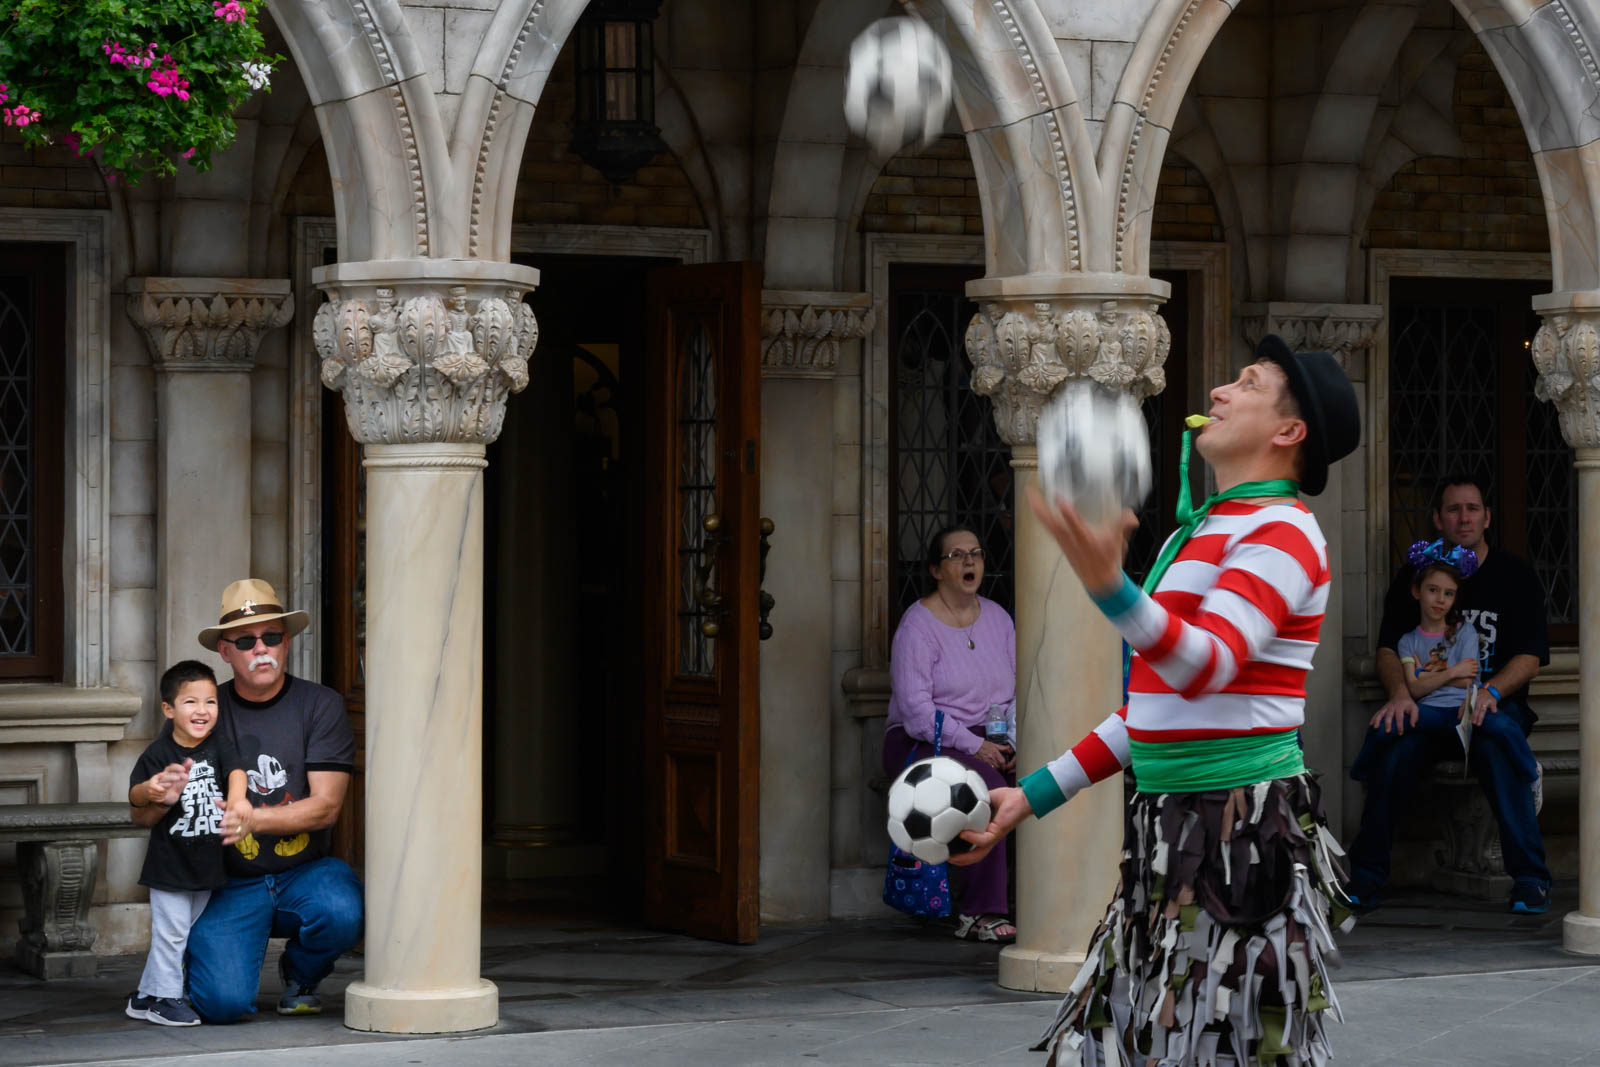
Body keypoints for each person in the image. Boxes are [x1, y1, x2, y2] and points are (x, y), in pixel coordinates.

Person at [957, 336, 1361, 1066]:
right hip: (1168, 832)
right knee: (1133, 1041)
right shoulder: (1198, 530)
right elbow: (1152, 702)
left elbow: (1206, 663)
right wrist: (1032, 794)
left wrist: (1112, 586)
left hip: (1243, 831)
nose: (1221, 390)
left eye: (1248, 382)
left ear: (1288, 431)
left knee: (1236, 1046)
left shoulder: (1285, 532)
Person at [131, 578, 362, 1022]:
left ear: (287, 642)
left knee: (342, 910)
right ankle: (191, 965)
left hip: (305, 873)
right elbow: (141, 815)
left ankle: (301, 975)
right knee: (222, 1005)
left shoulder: (321, 705)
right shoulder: (202, 709)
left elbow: (326, 807)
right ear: (225, 651)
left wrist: (249, 819)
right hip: (227, 882)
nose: (262, 648)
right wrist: (157, 797)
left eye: (272, 637)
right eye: (246, 640)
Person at [1348, 474, 1551, 914]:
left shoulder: (1515, 575)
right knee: (1394, 758)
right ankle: (1364, 880)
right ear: (1438, 519)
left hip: (1492, 705)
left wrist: (1491, 691)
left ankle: (1531, 882)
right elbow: (1388, 648)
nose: (1464, 517)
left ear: (1487, 517)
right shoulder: (1418, 578)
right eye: (1454, 509)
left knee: (1501, 756)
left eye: (1473, 508)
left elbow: (1531, 656)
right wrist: (1401, 694)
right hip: (1428, 707)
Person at [884, 524, 1017, 942]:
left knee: (1039, 782)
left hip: (991, 737)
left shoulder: (998, 618)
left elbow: (1016, 690)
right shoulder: (917, 626)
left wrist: (1010, 741)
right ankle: (979, 913)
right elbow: (917, 713)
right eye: (957, 555)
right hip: (926, 740)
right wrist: (978, 746)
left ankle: (1034, 900)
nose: (969, 562)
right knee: (987, 791)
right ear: (936, 570)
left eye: (975, 553)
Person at [124, 661, 249, 1026]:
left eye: (210, 702)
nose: (202, 711)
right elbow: (135, 794)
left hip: (206, 865)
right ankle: (165, 998)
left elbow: (237, 771)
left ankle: (144, 997)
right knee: (172, 933)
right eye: (191, 702)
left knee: (178, 932)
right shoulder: (159, 754)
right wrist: (151, 789)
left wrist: (239, 800)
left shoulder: (219, 744)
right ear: (168, 709)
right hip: (170, 864)